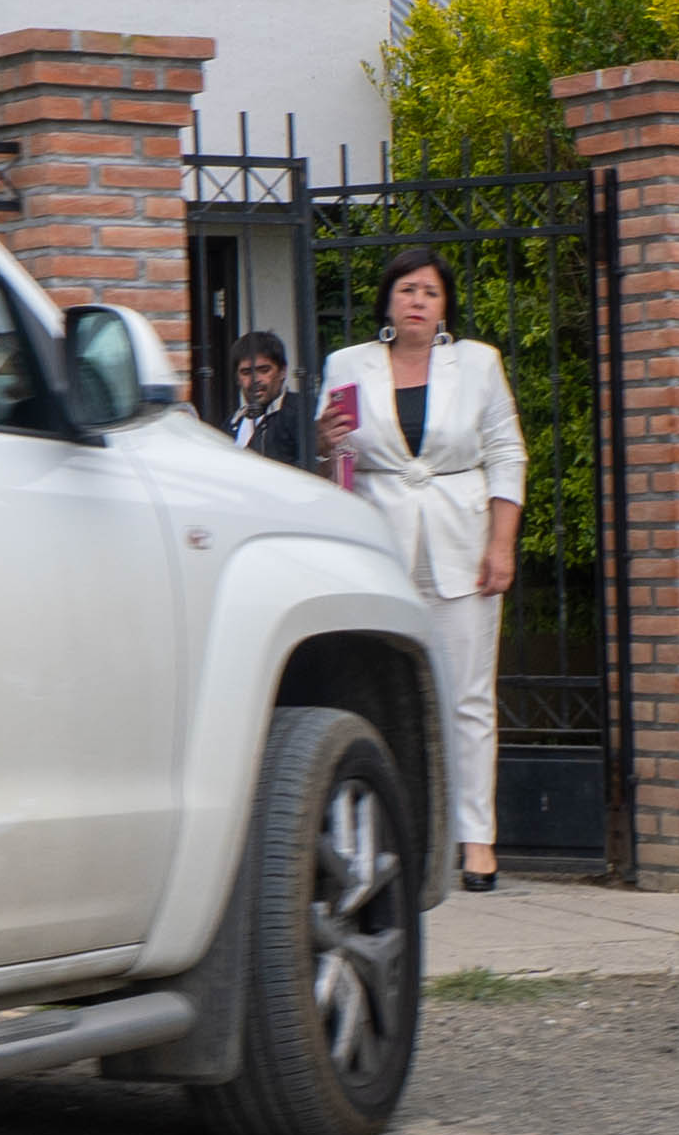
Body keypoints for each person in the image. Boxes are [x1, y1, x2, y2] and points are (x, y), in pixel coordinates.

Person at [314, 246, 526, 891]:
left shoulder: (480, 365)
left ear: (445, 308)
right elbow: (339, 471)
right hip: (382, 551)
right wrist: (326, 445)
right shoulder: (347, 365)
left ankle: (476, 842)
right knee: (380, 698)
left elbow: (507, 454)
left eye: (430, 293)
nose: (417, 302)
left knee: (467, 700)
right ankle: (389, 842)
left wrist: (502, 544)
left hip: (463, 550)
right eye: (407, 290)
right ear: (388, 300)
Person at [225, 331, 303, 466]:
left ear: (282, 371)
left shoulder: (300, 412)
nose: (255, 380)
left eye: (264, 370)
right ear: (237, 378)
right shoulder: (232, 422)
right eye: (246, 372)